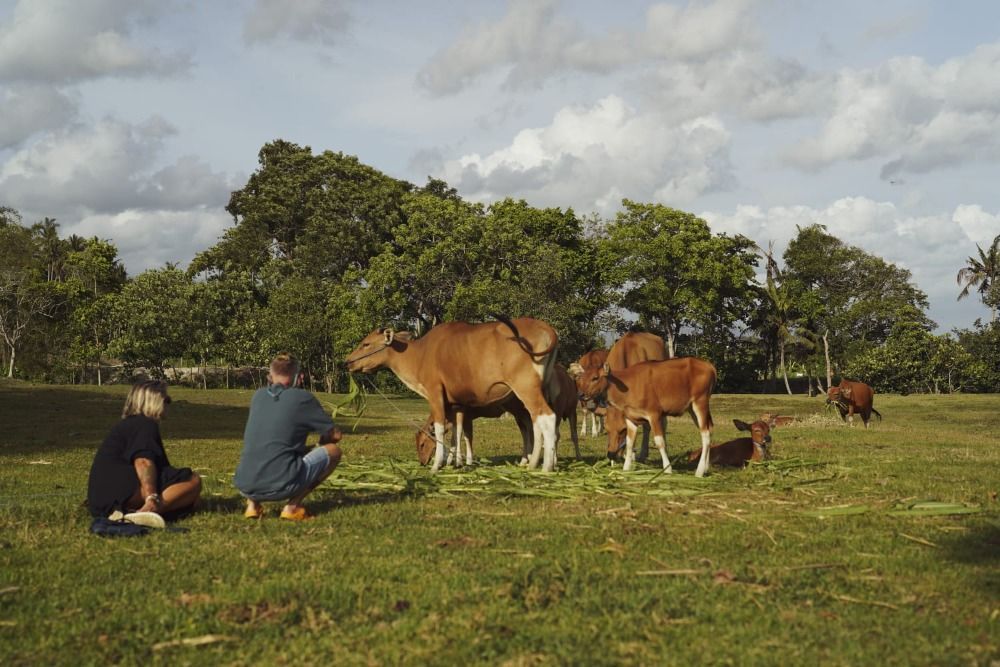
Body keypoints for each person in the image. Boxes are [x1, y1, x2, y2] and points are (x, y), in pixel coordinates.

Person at [234, 352, 342, 521]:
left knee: (261, 448)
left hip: (245, 485)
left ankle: (252, 506)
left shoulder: (258, 396)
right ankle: (292, 507)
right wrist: (321, 444)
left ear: (270, 377)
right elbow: (335, 435)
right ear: (299, 378)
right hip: (283, 485)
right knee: (333, 451)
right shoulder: (303, 398)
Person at [87, 380, 202, 526]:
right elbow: (143, 461)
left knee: (192, 500)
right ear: (154, 401)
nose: (169, 404)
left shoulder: (131, 425)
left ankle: (130, 511)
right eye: (166, 400)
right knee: (192, 481)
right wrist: (151, 497)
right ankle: (149, 511)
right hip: (120, 491)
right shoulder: (145, 424)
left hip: (100, 501)